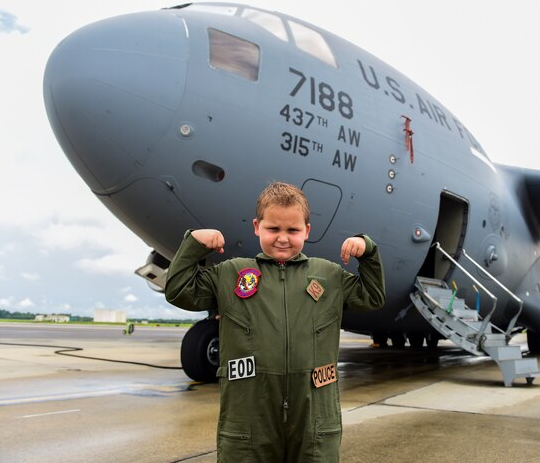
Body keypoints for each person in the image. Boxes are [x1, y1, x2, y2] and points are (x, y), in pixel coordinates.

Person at [165, 182, 385, 463]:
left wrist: (368, 253)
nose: (283, 238)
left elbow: (373, 296)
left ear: (307, 231)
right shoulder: (231, 274)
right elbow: (179, 290)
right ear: (257, 226)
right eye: (273, 229)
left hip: (314, 413)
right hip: (248, 413)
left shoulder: (329, 276)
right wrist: (193, 245)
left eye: (292, 230)